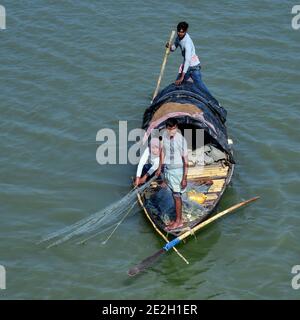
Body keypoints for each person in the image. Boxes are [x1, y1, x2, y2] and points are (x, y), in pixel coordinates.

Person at [155, 118, 188, 230]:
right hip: (168, 169)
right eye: (170, 129)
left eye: (174, 129)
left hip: (178, 171)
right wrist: (160, 167)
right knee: (175, 195)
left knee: (177, 196)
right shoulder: (163, 136)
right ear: (166, 128)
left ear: (177, 127)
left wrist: (184, 178)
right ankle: (178, 219)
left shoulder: (181, 140)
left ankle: (178, 221)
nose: (172, 131)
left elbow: (186, 161)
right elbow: (162, 152)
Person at [166, 21, 213, 97]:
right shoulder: (178, 37)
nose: (179, 33)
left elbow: (188, 60)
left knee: (200, 86)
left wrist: (182, 77)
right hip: (186, 66)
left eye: (182, 32)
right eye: (178, 31)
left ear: (186, 31)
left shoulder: (187, 43)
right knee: (176, 84)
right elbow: (174, 47)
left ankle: (211, 100)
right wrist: (170, 47)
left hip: (193, 66)